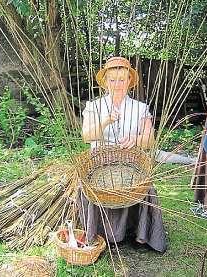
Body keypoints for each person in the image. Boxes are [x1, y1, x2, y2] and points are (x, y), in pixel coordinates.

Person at [77, 57, 167, 252]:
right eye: (112, 79)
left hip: (130, 164)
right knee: (89, 185)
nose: (117, 85)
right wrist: (105, 120)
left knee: (147, 187)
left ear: (129, 81)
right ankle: (97, 232)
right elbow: (86, 136)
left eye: (122, 79)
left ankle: (140, 233)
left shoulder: (139, 108)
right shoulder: (95, 106)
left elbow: (150, 140)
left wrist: (135, 138)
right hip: (99, 164)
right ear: (105, 82)